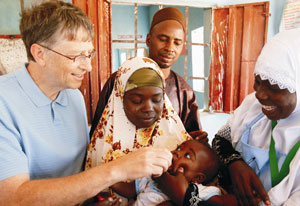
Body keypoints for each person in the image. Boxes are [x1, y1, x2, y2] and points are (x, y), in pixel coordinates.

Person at [0, 2, 172, 205]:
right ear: (40, 54)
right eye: (75, 56)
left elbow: (80, 171)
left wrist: (95, 198)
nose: (88, 66)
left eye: (89, 53)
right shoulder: (5, 103)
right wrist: (118, 170)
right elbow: (13, 197)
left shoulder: (73, 97)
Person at [85, 56, 192, 204]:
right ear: (119, 97)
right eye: (136, 100)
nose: (148, 108)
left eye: (156, 100)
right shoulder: (104, 146)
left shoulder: (180, 143)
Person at [90, 7, 207, 141]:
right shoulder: (120, 80)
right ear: (148, 39)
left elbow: (191, 142)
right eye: (163, 39)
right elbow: (98, 134)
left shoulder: (185, 92)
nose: (170, 48)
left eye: (177, 42)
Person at [212, 28, 300, 206]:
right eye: (258, 82)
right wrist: (235, 163)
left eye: (274, 88)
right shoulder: (253, 107)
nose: (260, 95)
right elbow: (221, 139)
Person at [110, 139, 237, 206]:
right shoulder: (154, 176)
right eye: (179, 148)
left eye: (187, 156)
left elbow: (224, 202)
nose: (177, 152)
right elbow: (132, 189)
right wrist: (110, 181)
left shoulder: (199, 190)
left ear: (197, 178)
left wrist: (186, 197)